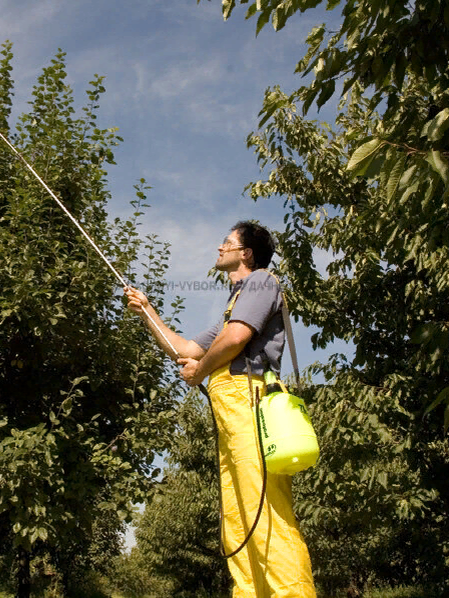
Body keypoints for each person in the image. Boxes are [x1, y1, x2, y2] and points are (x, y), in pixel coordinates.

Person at [125, 221, 316, 598]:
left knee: (264, 512)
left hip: (248, 399)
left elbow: (235, 339)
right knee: (239, 516)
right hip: (231, 408)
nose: (218, 247)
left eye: (226, 243)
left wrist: (201, 373)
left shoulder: (262, 281)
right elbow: (184, 349)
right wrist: (146, 310)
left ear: (246, 253)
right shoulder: (234, 305)